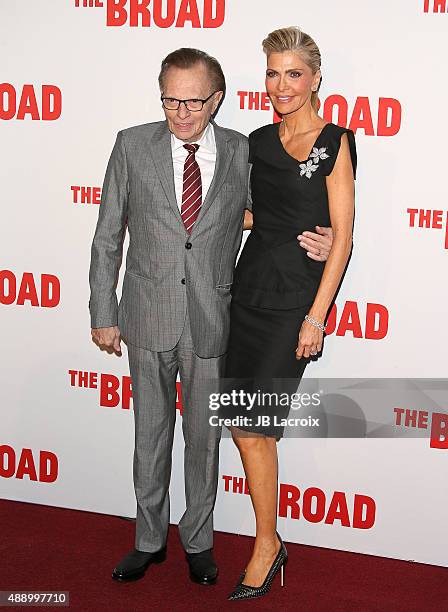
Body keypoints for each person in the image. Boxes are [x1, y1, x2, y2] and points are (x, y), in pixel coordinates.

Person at [88, 47, 333, 587]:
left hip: (213, 318)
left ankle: (198, 541)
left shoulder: (245, 151)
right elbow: (108, 235)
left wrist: (326, 236)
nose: (181, 113)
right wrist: (103, 310)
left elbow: (270, 213)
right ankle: (148, 540)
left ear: (216, 99)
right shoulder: (131, 145)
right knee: (149, 436)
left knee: (204, 439)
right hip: (146, 316)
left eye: (193, 102)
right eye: (170, 100)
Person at [222, 27, 357, 601]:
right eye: (273, 73)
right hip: (246, 290)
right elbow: (253, 215)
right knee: (239, 424)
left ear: (316, 78)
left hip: (293, 305)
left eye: (293, 73)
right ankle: (270, 541)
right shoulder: (254, 140)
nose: (281, 85)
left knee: (256, 428)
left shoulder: (336, 142)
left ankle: (266, 544)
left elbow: (344, 237)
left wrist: (317, 316)